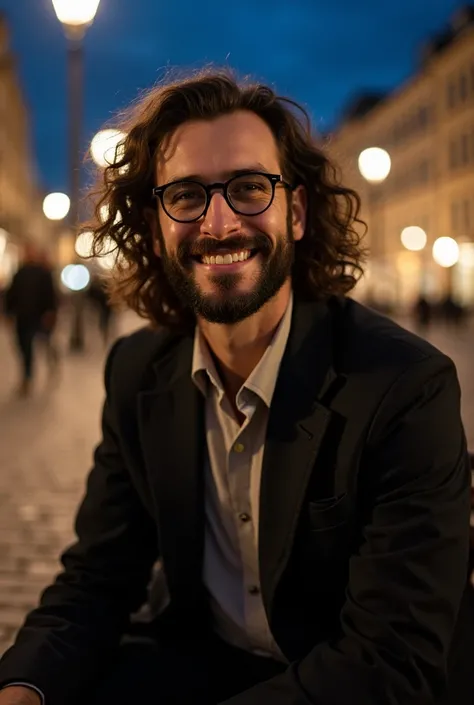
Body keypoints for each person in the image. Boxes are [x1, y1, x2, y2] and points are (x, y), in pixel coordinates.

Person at [0, 69, 471, 705]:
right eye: (186, 196)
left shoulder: (403, 386)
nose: (219, 224)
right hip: (202, 660)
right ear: (155, 224)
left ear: (296, 212)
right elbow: (98, 577)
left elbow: (390, 661)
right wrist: (23, 686)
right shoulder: (139, 370)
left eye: (249, 188)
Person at [3, 243, 59, 396]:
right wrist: (8, 313)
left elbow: (50, 294)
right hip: (23, 317)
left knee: (45, 343)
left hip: (39, 316)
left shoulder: (43, 273)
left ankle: (51, 362)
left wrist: (50, 312)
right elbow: (11, 294)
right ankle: (27, 377)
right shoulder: (19, 273)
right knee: (24, 347)